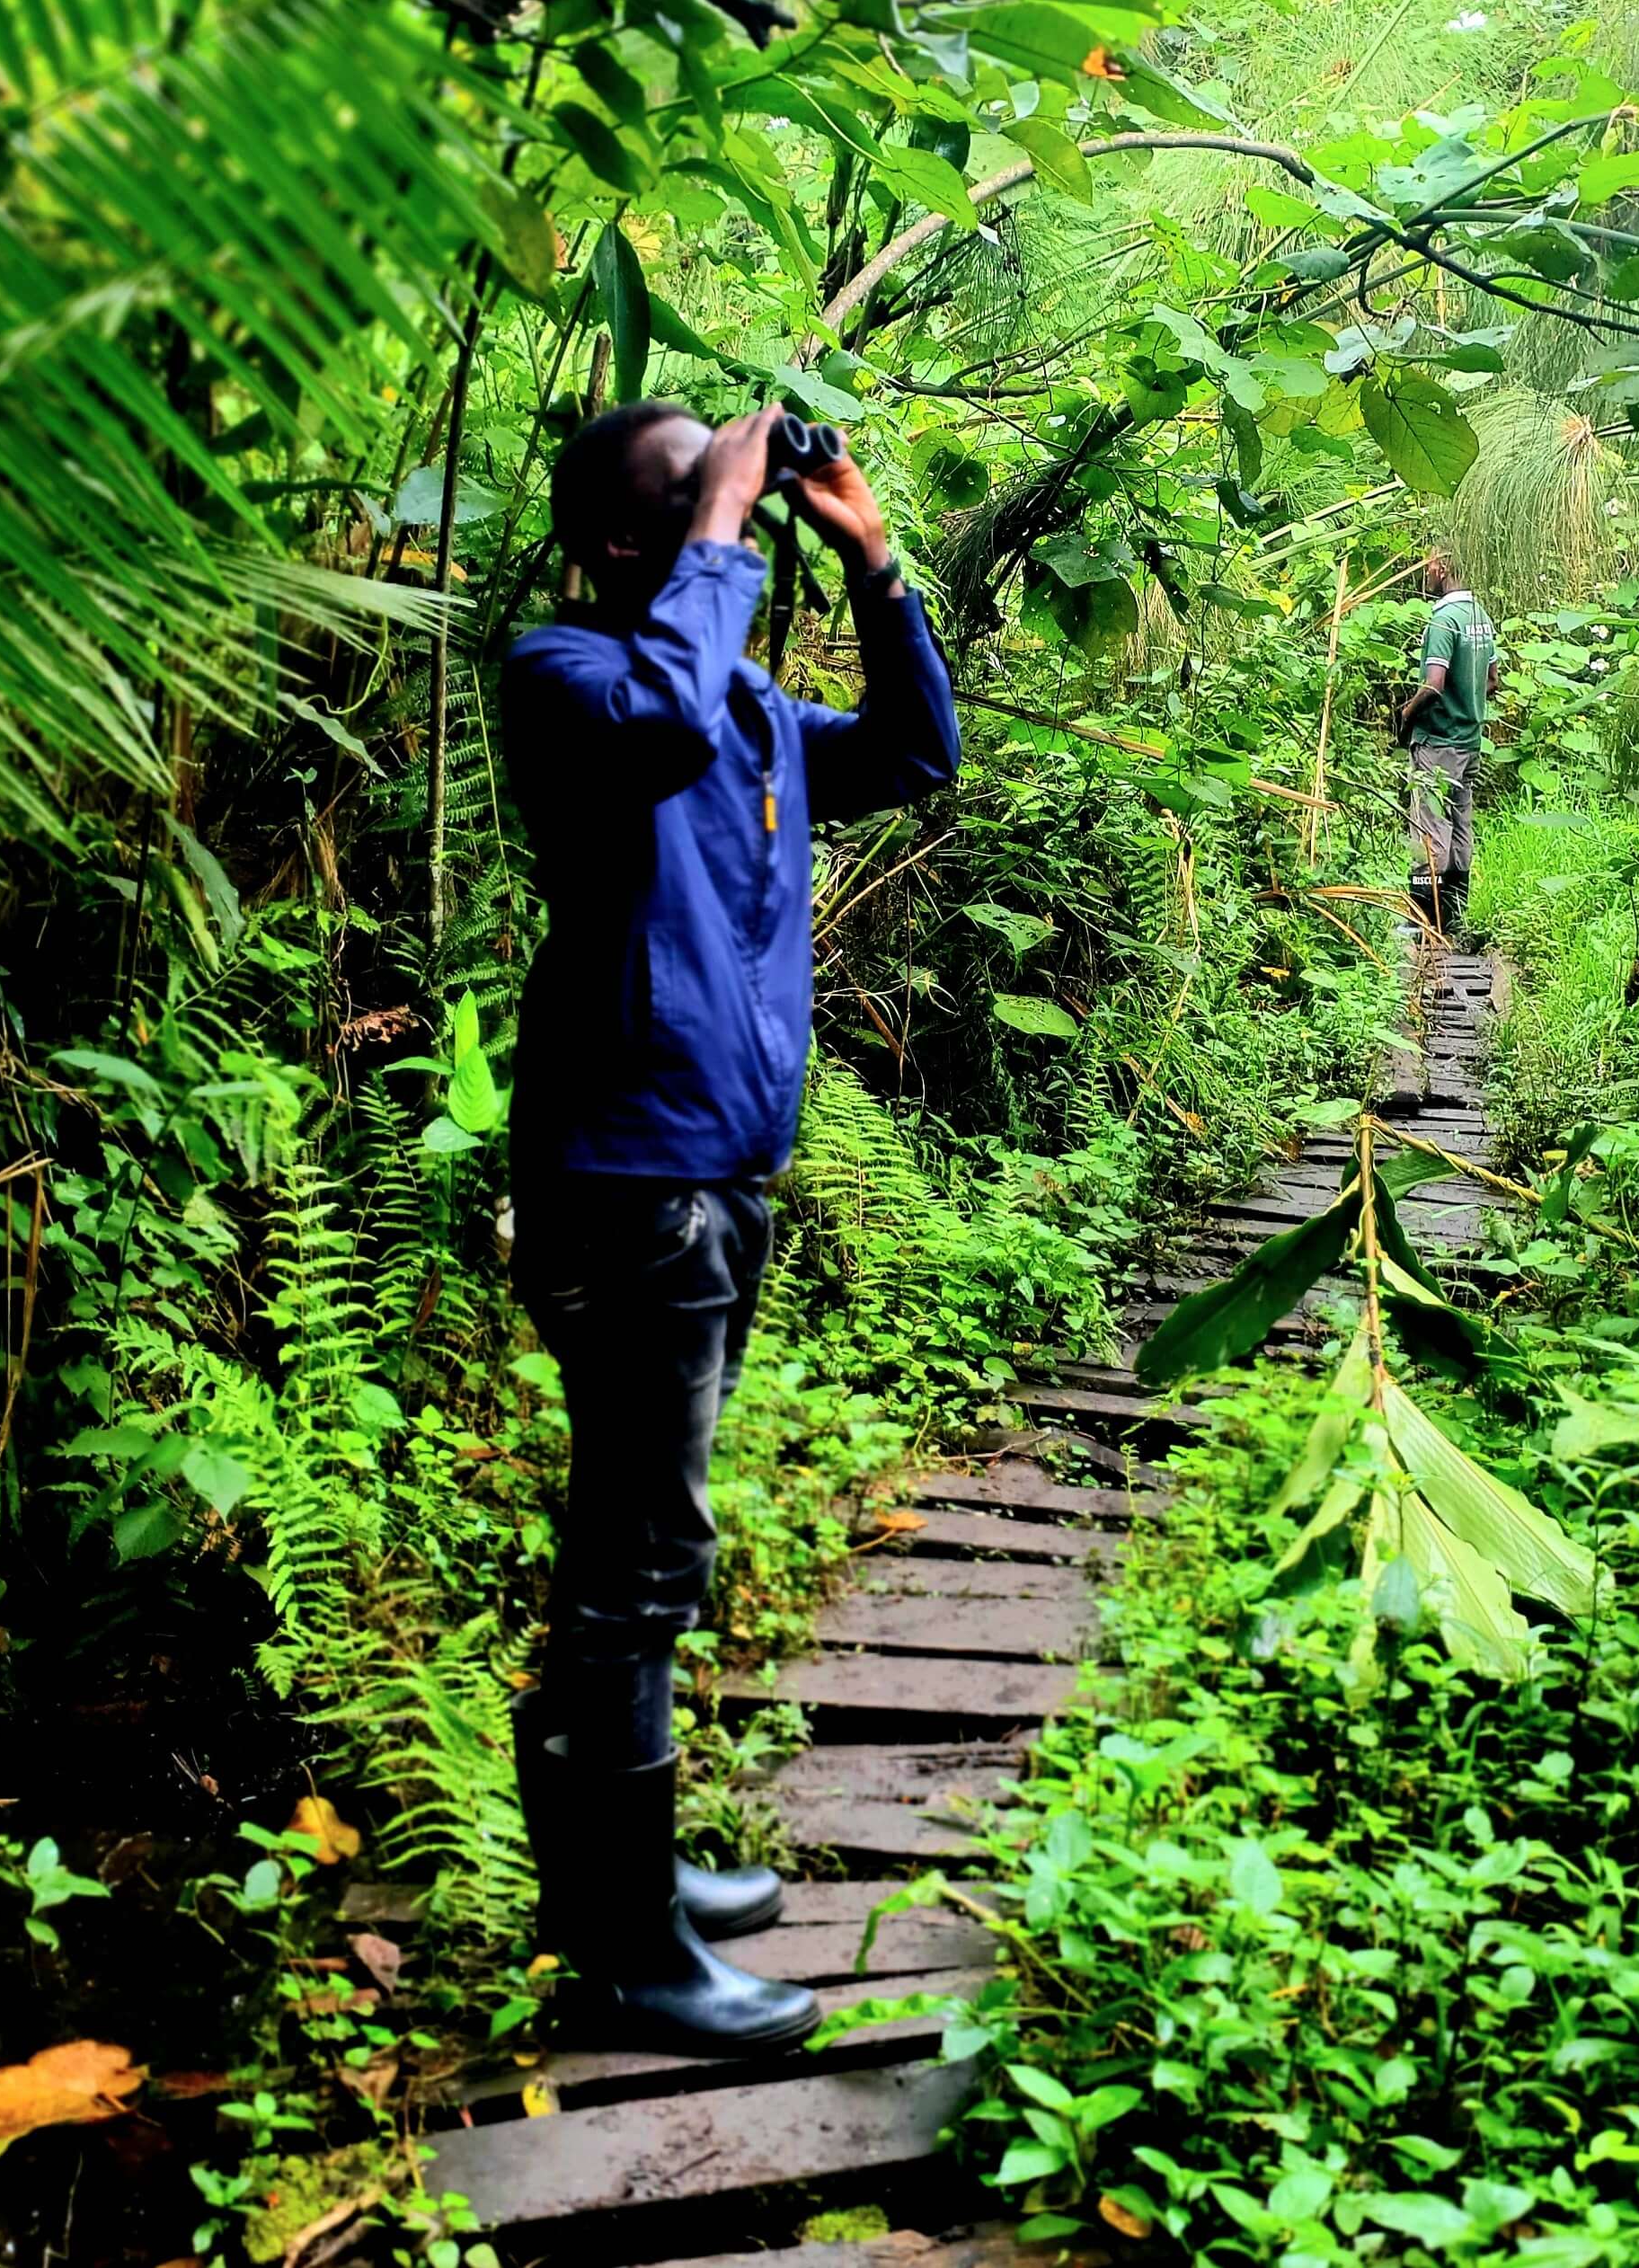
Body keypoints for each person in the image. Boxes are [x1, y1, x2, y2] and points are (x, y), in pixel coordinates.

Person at [501, 400, 961, 2053]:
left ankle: (623, 1882)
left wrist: (875, 562)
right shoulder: (566, 677)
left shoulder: (737, 692)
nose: (735, 528)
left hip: (708, 1181)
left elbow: (912, 760)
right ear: (622, 543)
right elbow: (658, 730)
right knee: (639, 1569)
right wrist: (716, 542)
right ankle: (626, 1954)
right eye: (698, 507)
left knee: (639, 1552)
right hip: (627, 1186)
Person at [1397, 553, 1499, 942]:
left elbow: (1434, 683)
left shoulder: (1443, 620)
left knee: (1429, 827)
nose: (1425, 574)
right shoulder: (1480, 617)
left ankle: (1422, 924)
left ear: (1441, 567)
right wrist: (1467, 699)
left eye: (1427, 566)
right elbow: (1492, 679)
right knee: (1460, 827)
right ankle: (1454, 920)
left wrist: (1406, 714)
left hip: (1438, 741)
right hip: (1470, 740)